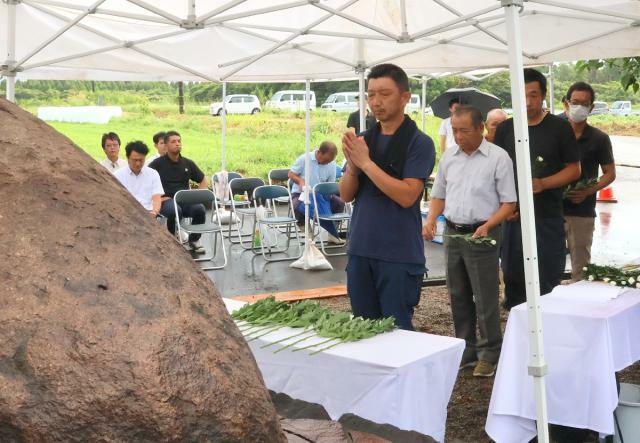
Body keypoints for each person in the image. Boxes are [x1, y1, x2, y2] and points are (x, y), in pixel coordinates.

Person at [340, 63, 436, 331]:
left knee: (397, 331)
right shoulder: (364, 139)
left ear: (405, 97)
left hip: (398, 253)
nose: (376, 102)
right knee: (363, 328)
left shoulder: (419, 142)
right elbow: (346, 194)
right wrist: (353, 165)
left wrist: (366, 163)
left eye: (384, 94)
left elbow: (407, 196)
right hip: (361, 248)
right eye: (371, 95)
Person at [423, 105, 517, 377]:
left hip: (483, 233)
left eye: (464, 130)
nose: (458, 136)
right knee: (458, 292)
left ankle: (490, 352)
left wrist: (489, 225)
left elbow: (509, 202)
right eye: (454, 130)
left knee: (485, 294)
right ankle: (466, 347)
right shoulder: (450, 157)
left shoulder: (498, 158)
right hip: (453, 232)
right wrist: (431, 220)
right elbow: (439, 195)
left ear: (481, 128)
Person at [494, 68, 581, 310]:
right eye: (522, 95)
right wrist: (503, 206)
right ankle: (519, 335)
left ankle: (548, 338)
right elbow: (496, 173)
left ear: (542, 96)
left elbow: (574, 170)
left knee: (546, 281)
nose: (527, 102)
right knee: (513, 277)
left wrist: (543, 184)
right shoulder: (505, 129)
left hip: (546, 218)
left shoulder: (559, 128)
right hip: (512, 220)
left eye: (533, 95)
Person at [562, 82, 616, 281]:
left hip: (581, 211)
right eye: (575, 102)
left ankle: (578, 303)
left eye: (585, 104)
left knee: (581, 266)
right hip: (550, 210)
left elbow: (610, 173)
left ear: (591, 108)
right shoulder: (555, 132)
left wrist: (587, 191)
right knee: (548, 262)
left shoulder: (599, 138)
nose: (579, 107)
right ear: (566, 103)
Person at [148, 130, 208, 253]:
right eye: (173, 141)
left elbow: (202, 180)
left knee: (200, 209)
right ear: (166, 145)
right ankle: (172, 241)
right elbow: (146, 183)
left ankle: (194, 240)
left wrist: (196, 196)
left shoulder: (187, 163)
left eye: (179, 141)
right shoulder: (157, 164)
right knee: (174, 211)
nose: (177, 144)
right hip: (167, 201)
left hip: (185, 200)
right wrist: (158, 198)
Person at [289, 141, 345, 245]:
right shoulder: (305, 159)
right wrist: (301, 181)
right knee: (296, 206)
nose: (328, 163)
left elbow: (330, 184)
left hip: (321, 195)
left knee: (340, 203)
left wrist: (329, 192)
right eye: (326, 160)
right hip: (301, 193)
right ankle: (308, 234)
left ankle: (332, 233)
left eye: (330, 161)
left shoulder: (331, 164)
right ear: (319, 152)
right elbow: (291, 174)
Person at [114, 141, 164, 216]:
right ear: (127, 158)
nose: (138, 164)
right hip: (125, 213)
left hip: (148, 212)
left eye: (141, 160)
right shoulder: (118, 175)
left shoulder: (153, 174)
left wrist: (154, 212)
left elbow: (156, 198)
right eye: (135, 160)